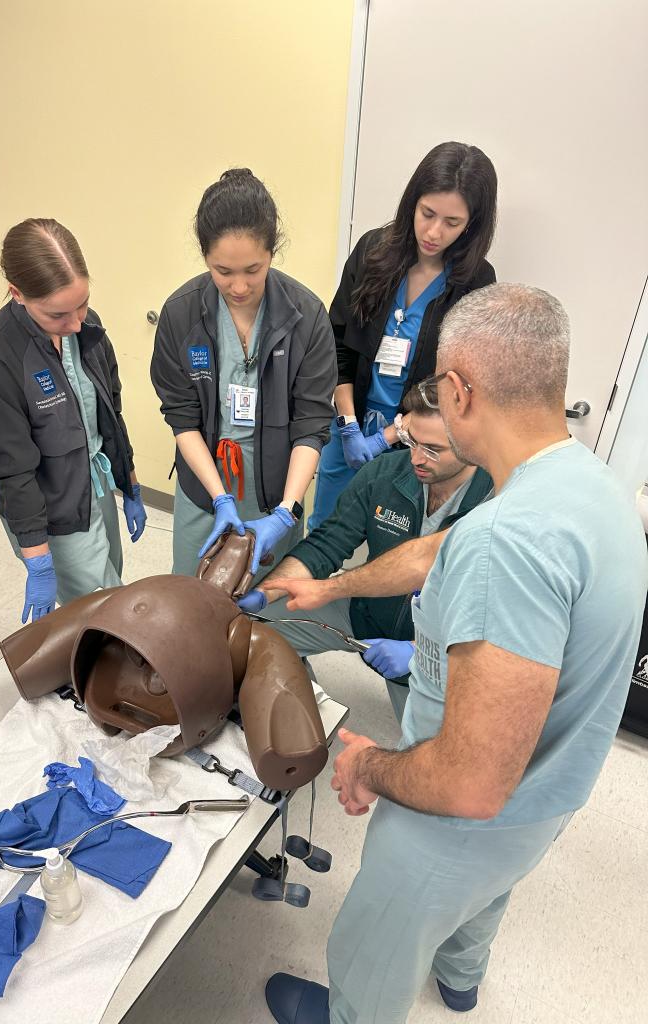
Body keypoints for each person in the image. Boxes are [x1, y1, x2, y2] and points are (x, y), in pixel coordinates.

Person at [262, 284, 648, 1023]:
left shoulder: (507, 542)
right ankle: (461, 977)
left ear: (459, 391)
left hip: (457, 818)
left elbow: (470, 783)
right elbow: (435, 550)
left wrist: (367, 764)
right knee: (484, 895)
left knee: (375, 945)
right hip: (546, 795)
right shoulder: (587, 485)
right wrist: (329, 586)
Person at [240, 388, 493, 722]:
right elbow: (327, 544)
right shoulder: (385, 473)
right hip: (365, 612)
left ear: (470, 443)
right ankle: (297, 712)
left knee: (439, 755)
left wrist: (420, 653)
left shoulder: (496, 501)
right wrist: (266, 591)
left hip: (440, 646)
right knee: (257, 629)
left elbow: (494, 618)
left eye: (433, 450)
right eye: (412, 440)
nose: (416, 458)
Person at [150, 168, 336, 578]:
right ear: (204, 258)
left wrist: (287, 511)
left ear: (272, 251)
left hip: (278, 492)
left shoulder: (305, 316)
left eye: (253, 270)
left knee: (265, 609)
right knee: (194, 602)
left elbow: (311, 424)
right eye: (223, 271)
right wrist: (219, 499)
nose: (238, 286)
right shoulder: (181, 315)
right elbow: (182, 419)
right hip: (205, 489)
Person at [0, 219, 147, 623]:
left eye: (82, 304)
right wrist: (38, 558)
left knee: (111, 584)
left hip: (94, 488)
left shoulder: (85, 327)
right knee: (101, 615)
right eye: (59, 314)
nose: (77, 323)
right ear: (17, 295)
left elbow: (109, 413)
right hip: (52, 511)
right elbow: (14, 470)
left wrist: (128, 481)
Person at [310, 141, 497, 529]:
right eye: (427, 213)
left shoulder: (476, 282)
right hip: (351, 424)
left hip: (418, 441)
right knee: (325, 530)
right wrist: (348, 425)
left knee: (390, 544)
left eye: (452, 222)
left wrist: (392, 437)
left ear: (472, 224)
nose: (433, 231)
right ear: (412, 201)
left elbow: (462, 382)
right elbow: (337, 348)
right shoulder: (372, 252)